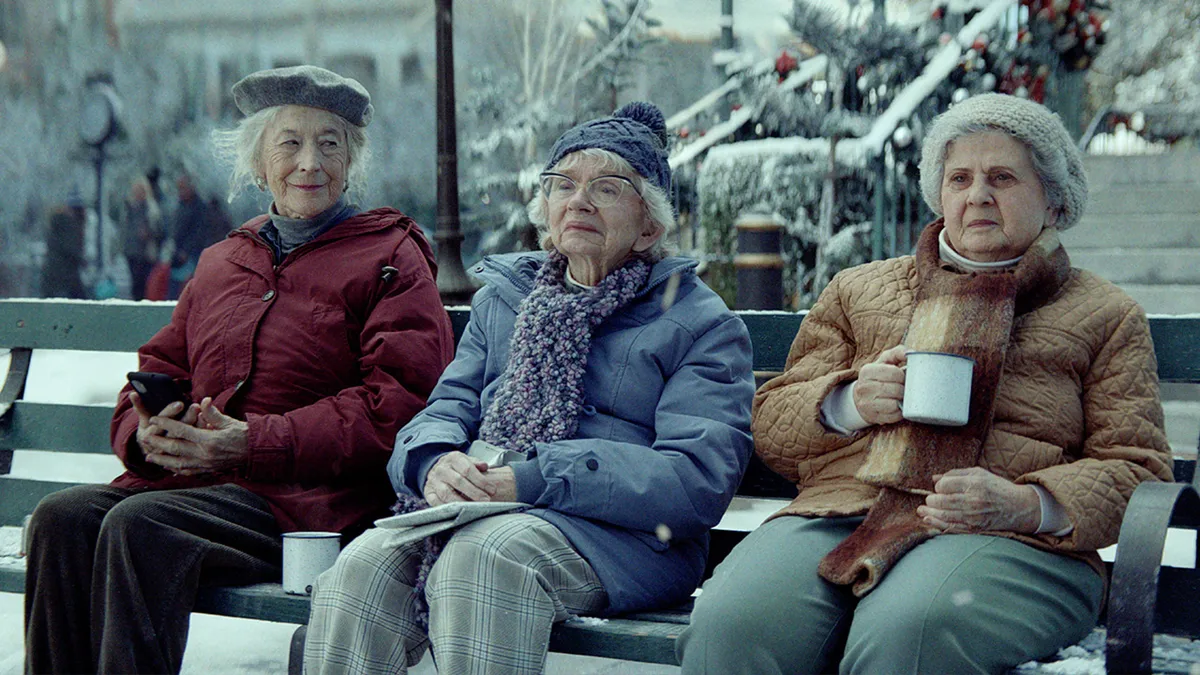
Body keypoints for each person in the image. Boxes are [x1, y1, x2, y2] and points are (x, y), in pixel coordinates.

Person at [677, 93, 1174, 674]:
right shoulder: (858, 289)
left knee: (909, 631)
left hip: (1015, 545)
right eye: (959, 177)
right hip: (843, 514)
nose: (977, 194)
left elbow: (1137, 467)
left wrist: (1022, 503)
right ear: (939, 193)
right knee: (732, 625)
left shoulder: (1105, 314)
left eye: (1003, 177)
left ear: (1055, 202)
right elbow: (773, 422)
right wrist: (851, 402)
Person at [23, 65, 456, 674]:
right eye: (291, 142)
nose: (310, 162)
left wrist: (253, 444)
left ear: (350, 160)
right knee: (59, 520)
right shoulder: (225, 259)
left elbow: (399, 406)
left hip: (311, 506)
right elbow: (158, 365)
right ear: (260, 162)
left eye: (329, 143)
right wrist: (147, 433)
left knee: (139, 527)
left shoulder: (390, 257)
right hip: (201, 491)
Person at [303, 101, 756, 674]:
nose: (580, 200)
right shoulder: (505, 299)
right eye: (563, 184)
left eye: (608, 187)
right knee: (364, 566)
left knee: (483, 560)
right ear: (545, 208)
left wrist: (536, 477)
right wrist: (432, 462)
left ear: (651, 225)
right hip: (481, 509)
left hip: (627, 539)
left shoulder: (702, 324)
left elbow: (696, 481)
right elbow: (447, 408)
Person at [166, 172, 209, 299]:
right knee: (175, 285)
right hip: (178, 252)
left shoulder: (199, 207)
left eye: (183, 188)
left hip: (193, 252)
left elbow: (199, 232)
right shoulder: (180, 205)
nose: (181, 191)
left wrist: (186, 249)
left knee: (192, 284)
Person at [121, 175, 163, 300]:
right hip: (132, 252)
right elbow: (125, 229)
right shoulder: (130, 208)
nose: (138, 193)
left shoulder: (152, 209)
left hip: (147, 254)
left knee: (146, 286)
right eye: (136, 190)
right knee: (135, 285)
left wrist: (149, 233)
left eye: (141, 190)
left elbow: (160, 231)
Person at [40, 191, 88, 299]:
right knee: (80, 302)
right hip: (66, 274)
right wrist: (82, 260)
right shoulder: (69, 225)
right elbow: (70, 248)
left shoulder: (57, 224)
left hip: (53, 273)